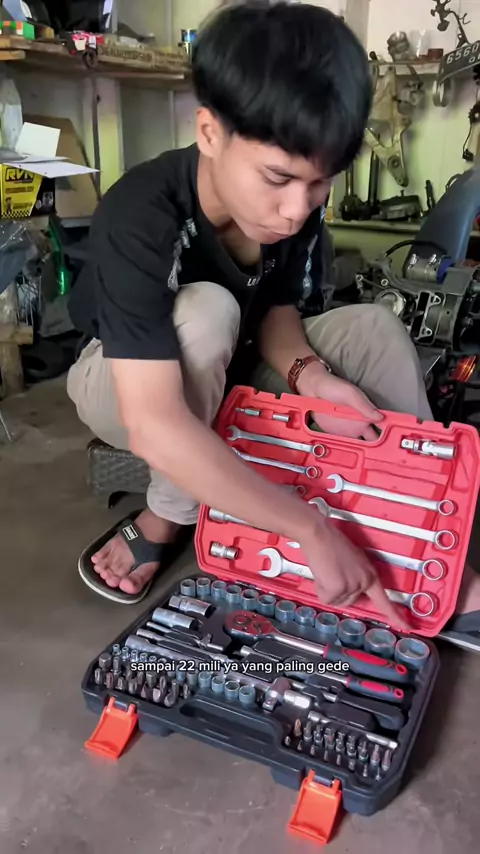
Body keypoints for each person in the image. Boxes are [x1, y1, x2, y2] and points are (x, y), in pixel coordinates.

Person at [66, 1, 480, 636]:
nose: (296, 209)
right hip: (125, 381)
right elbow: (152, 421)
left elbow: (277, 310)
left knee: (371, 328)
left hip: (233, 363)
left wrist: (314, 379)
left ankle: (419, 540)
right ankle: (168, 514)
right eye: (278, 178)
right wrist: (307, 527)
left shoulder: (297, 211)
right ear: (210, 133)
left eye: (319, 184)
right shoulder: (141, 214)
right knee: (208, 309)